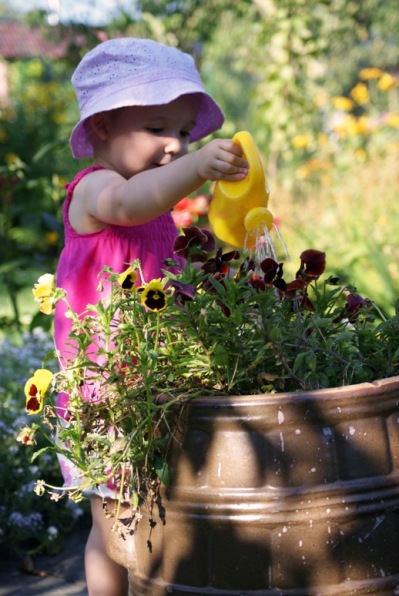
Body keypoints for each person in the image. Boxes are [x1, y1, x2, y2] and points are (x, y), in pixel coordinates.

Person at [54, 37, 248, 596]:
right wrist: (193, 167)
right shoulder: (97, 192)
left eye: (185, 131)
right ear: (103, 127)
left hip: (156, 384)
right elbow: (132, 204)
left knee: (163, 514)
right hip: (106, 394)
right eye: (159, 127)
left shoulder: (157, 202)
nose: (175, 145)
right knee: (114, 526)